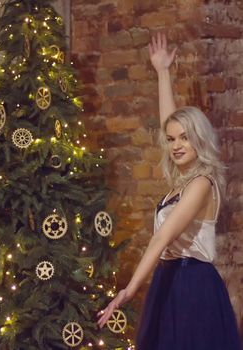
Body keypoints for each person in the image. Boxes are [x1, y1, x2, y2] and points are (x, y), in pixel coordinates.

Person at [97, 33, 242, 350]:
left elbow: (162, 238)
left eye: (185, 139)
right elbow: (170, 125)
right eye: (173, 139)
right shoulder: (182, 179)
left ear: (199, 141)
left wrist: (130, 290)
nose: (176, 145)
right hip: (169, 280)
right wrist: (162, 72)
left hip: (192, 286)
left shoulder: (202, 183)